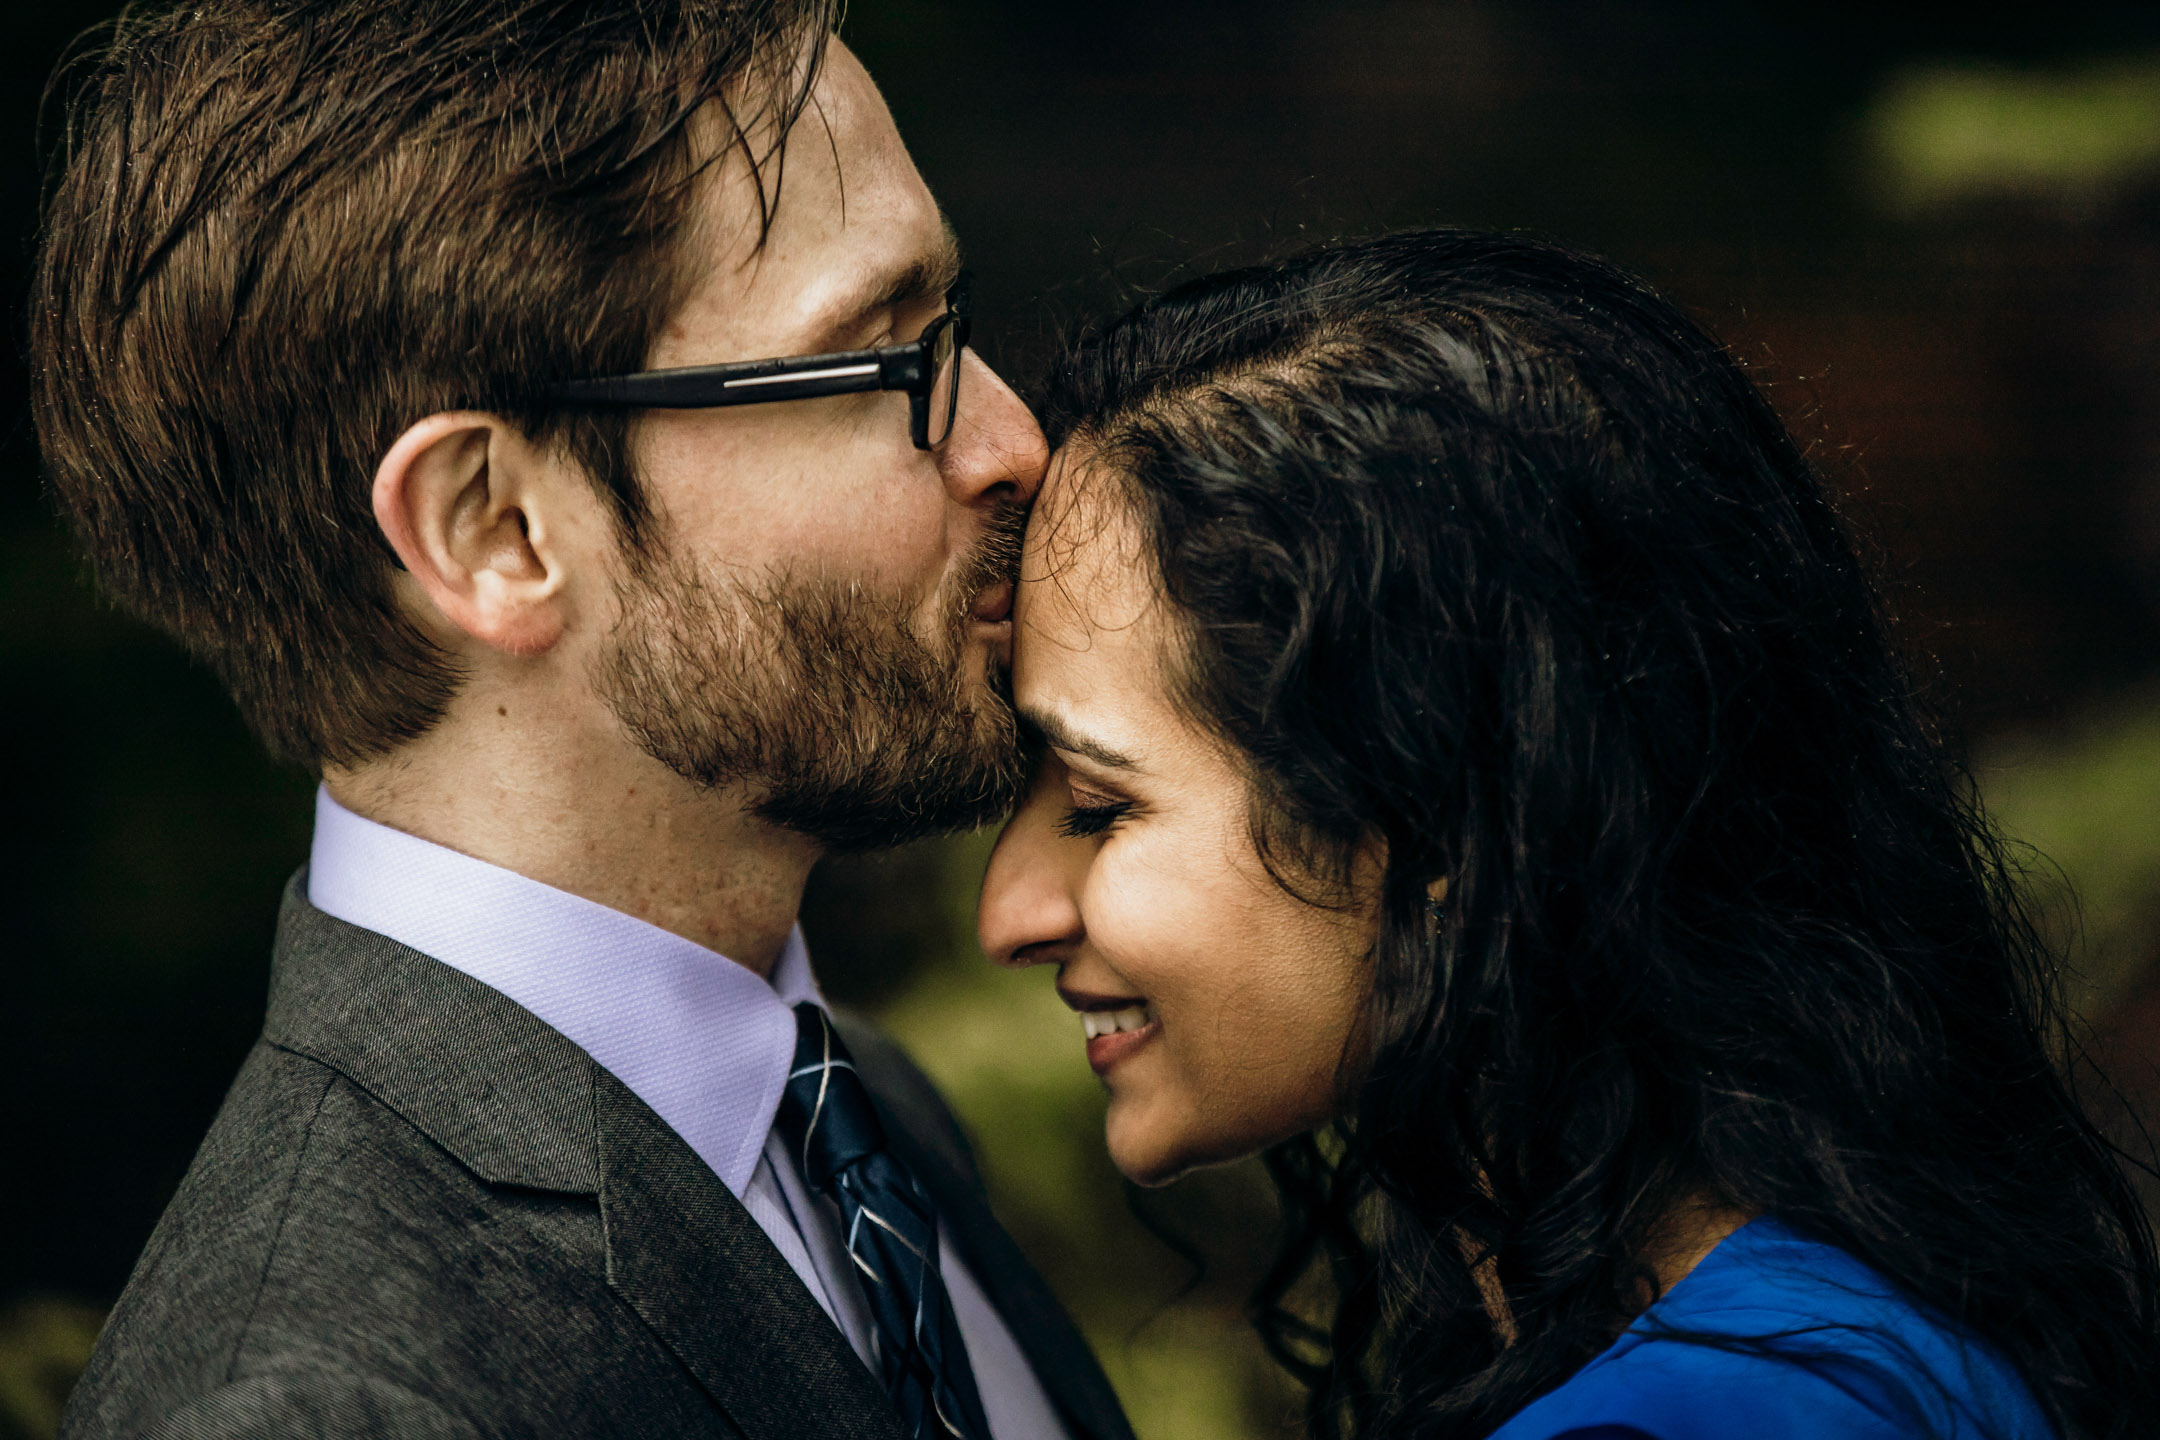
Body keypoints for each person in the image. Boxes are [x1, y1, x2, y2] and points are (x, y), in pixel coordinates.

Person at [33, 4, 1130, 1439]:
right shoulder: (322, 1403)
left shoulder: (863, 1123)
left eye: (956, 326)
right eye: (889, 359)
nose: (1011, 442)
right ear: (493, 529)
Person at [979, 230, 2160, 1440]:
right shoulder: (1850, 1335)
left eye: (1099, 803)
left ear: (1438, 806)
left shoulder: (1710, 1415)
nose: (1006, 910)